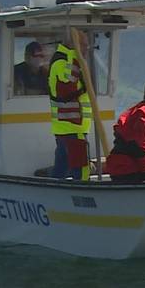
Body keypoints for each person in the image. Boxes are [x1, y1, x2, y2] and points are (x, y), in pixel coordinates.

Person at [48, 36, 92, 180]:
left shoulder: (66, 61)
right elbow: (68, 82)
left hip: (69, 128)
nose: (86, 49)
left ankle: (53, 196)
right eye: (83, 45)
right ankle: (84, 195)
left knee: (61, 169)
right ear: (73, 45)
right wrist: (75, 54)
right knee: (82, 170)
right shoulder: (61, 62)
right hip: (73, 127)